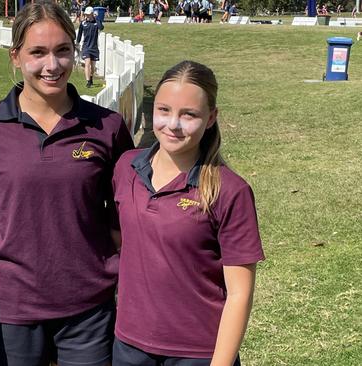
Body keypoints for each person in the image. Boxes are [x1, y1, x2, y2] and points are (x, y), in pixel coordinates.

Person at [0, 2, 135, 365]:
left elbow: (125, 212)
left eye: (63, 51)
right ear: (16, 57)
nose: (52, 65)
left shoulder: (108, 126)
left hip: (89, 306)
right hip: (12, 307)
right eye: (37, 52)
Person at [111, 60, 265, 366]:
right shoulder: (125, 167)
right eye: (164, 110)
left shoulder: (230, 190)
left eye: (189, 114)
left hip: (198, 352)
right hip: (129, 345)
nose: (173, 125)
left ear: (211, 118)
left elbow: (239, 295)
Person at [76, 6, 104, 88]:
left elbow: (101, 27)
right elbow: (80, 34)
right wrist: (77, 43)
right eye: (86, 14)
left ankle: (91, 78)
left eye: (88, 14)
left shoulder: (96, 23)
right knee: (87, 63)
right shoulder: (83, 23)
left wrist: (97, 18)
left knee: (93, 67)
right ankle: (88, 81)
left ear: (92, 14)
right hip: (86, 47)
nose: (87, 16)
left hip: (94, 47)